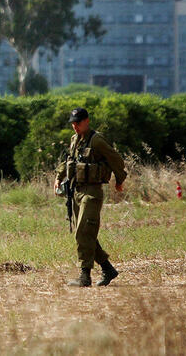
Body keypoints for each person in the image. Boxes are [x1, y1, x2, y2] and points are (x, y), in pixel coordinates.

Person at [54, 107, 126, 287]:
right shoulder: (75, 140)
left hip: (92, 193)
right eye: (72, 123)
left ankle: (84, 275)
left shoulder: (97, 140)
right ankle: (108, 268)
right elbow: (68, 160)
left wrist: (119, 180)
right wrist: (58, 177)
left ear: (86, 121)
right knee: (87, 233)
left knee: (83, 232)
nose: (75, 126)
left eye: (78, 123)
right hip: (76, 192)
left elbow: (115, 159)